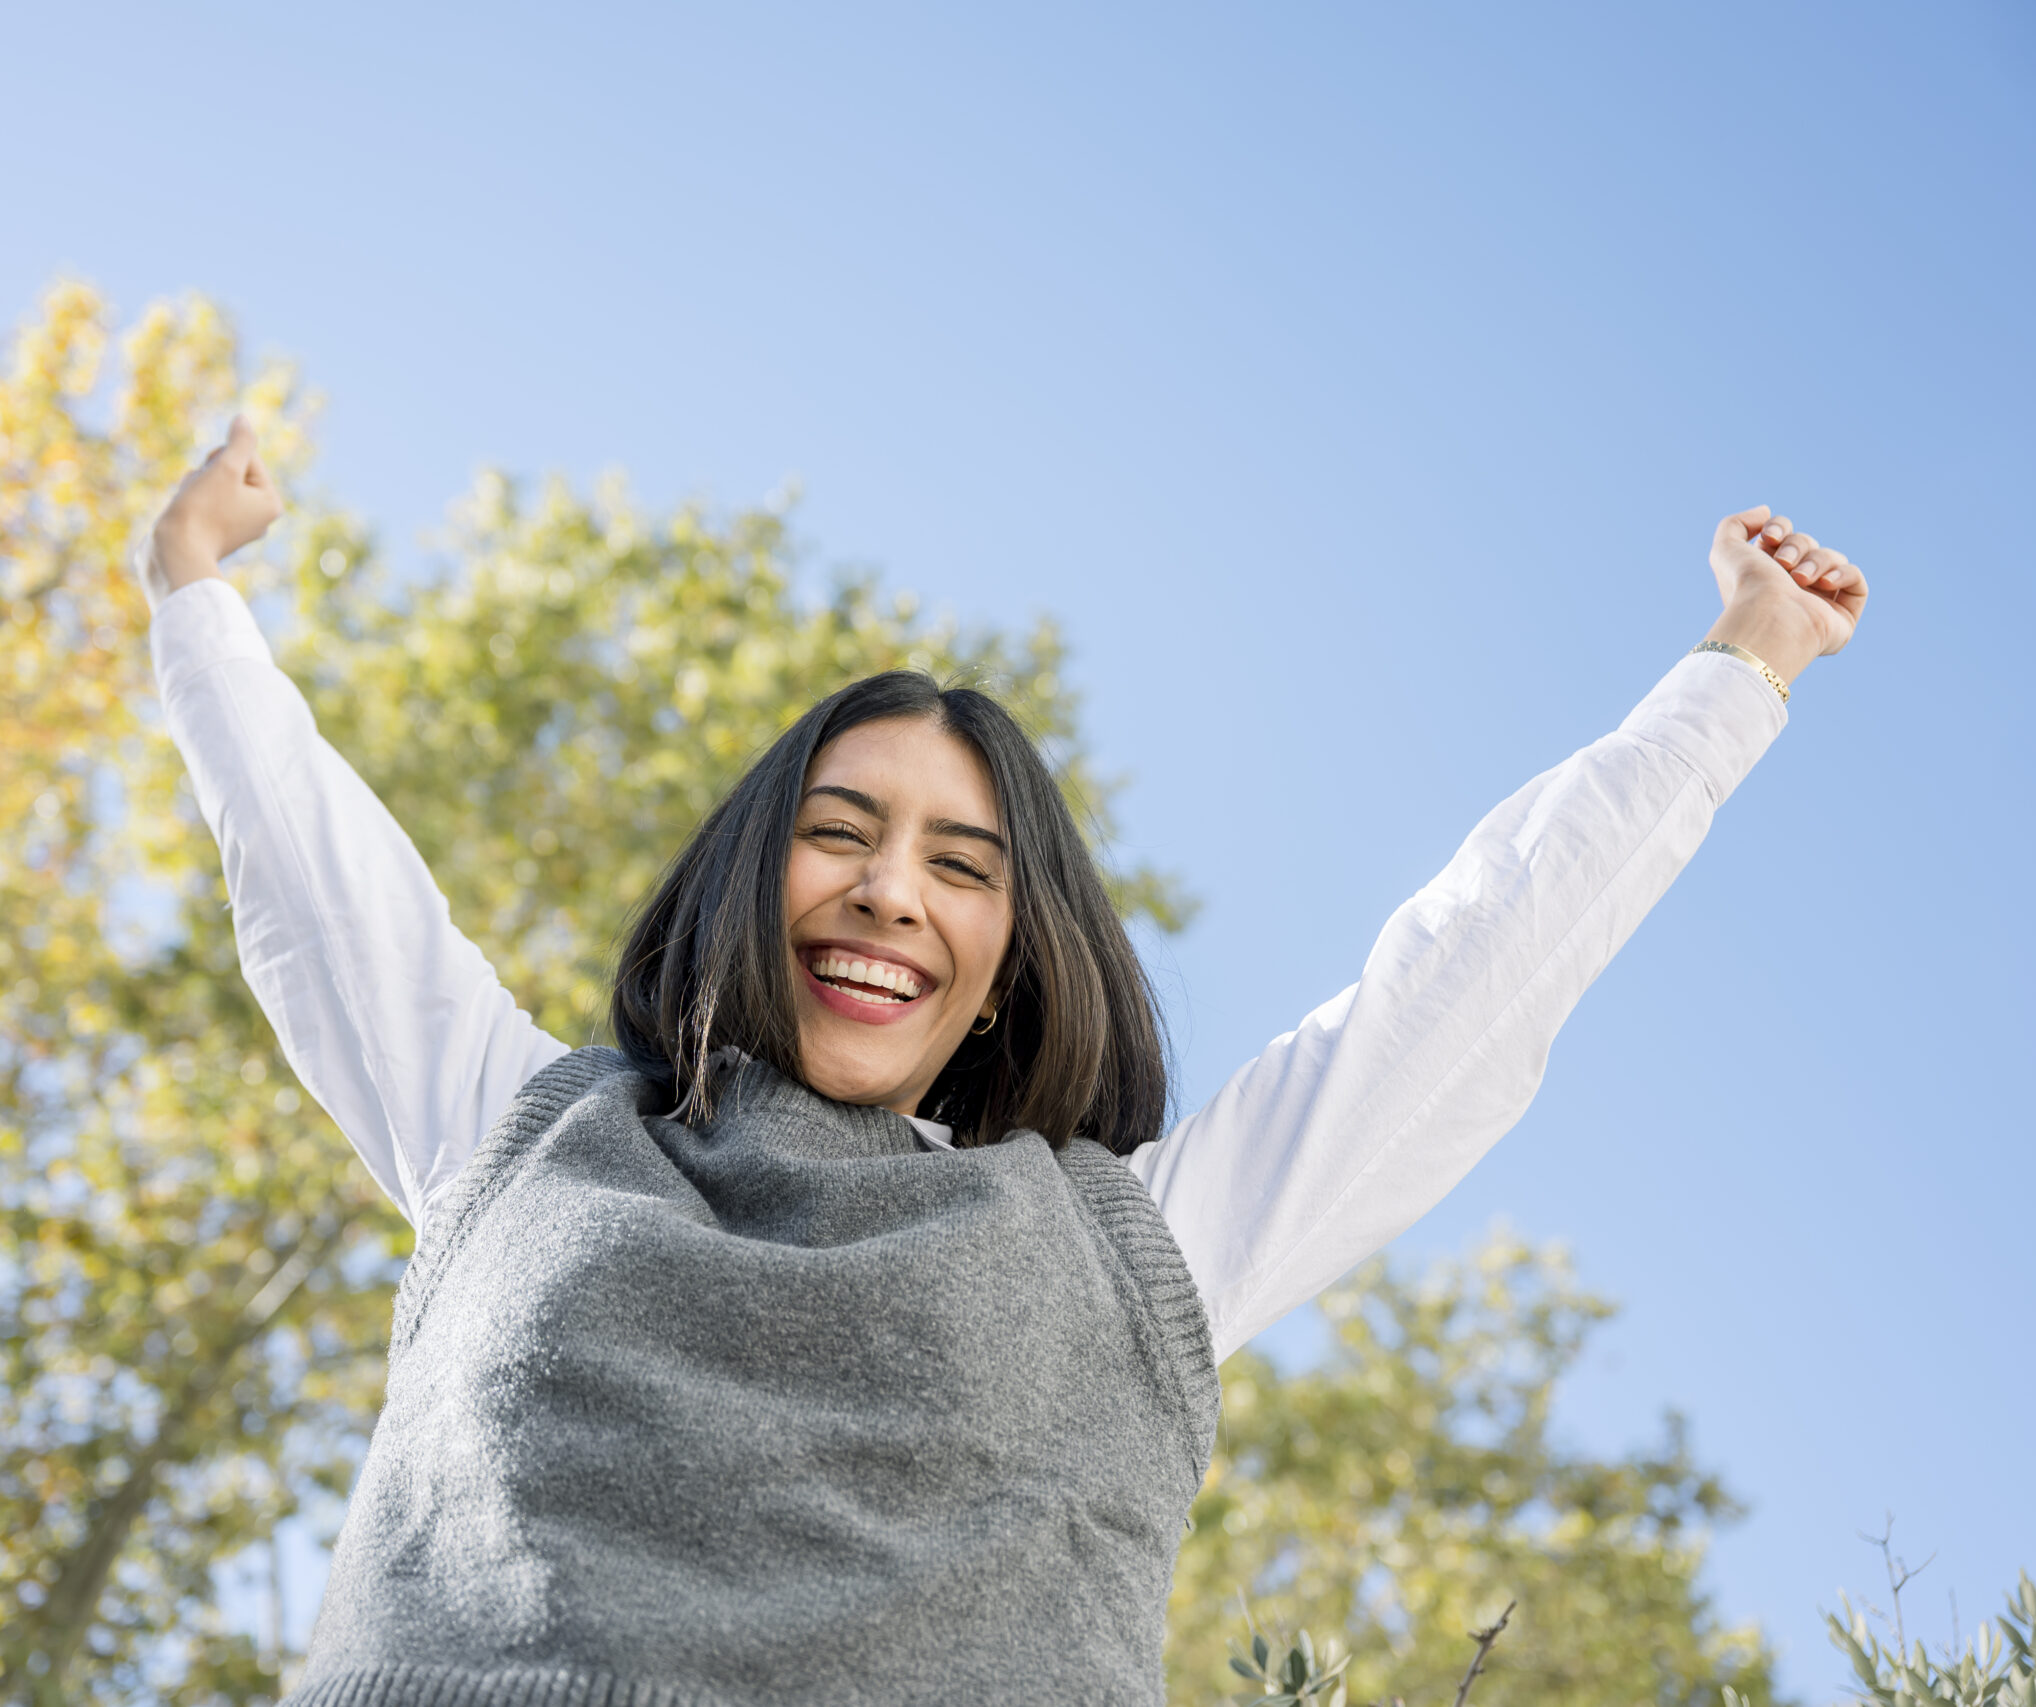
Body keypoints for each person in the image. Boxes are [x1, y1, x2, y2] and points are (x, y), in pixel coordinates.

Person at [135, 418, 1867, 1707]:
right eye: (841, 833)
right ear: (755, 875)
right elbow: (317, 885)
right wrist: (193, 602)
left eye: (964, 866)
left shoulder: (1120, 1255)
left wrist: (1737, 678)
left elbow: (1459, 989)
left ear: (1010, 969)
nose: (893, 889)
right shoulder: (529, 1140)